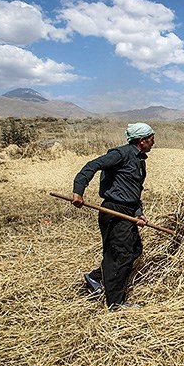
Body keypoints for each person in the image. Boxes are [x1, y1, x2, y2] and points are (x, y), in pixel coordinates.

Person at [71, 123, 155, 310]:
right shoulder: (120, 154)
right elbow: (92, 166)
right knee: (122, 253)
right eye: (151, 139)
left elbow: (134, 191)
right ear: (142, 140)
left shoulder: (140, 160)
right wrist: (78, 191)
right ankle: (115, 303)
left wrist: (138, 213)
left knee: (134, 250)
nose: (153, 142)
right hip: (114, 210)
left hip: (127, 211)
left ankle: (95, 278)